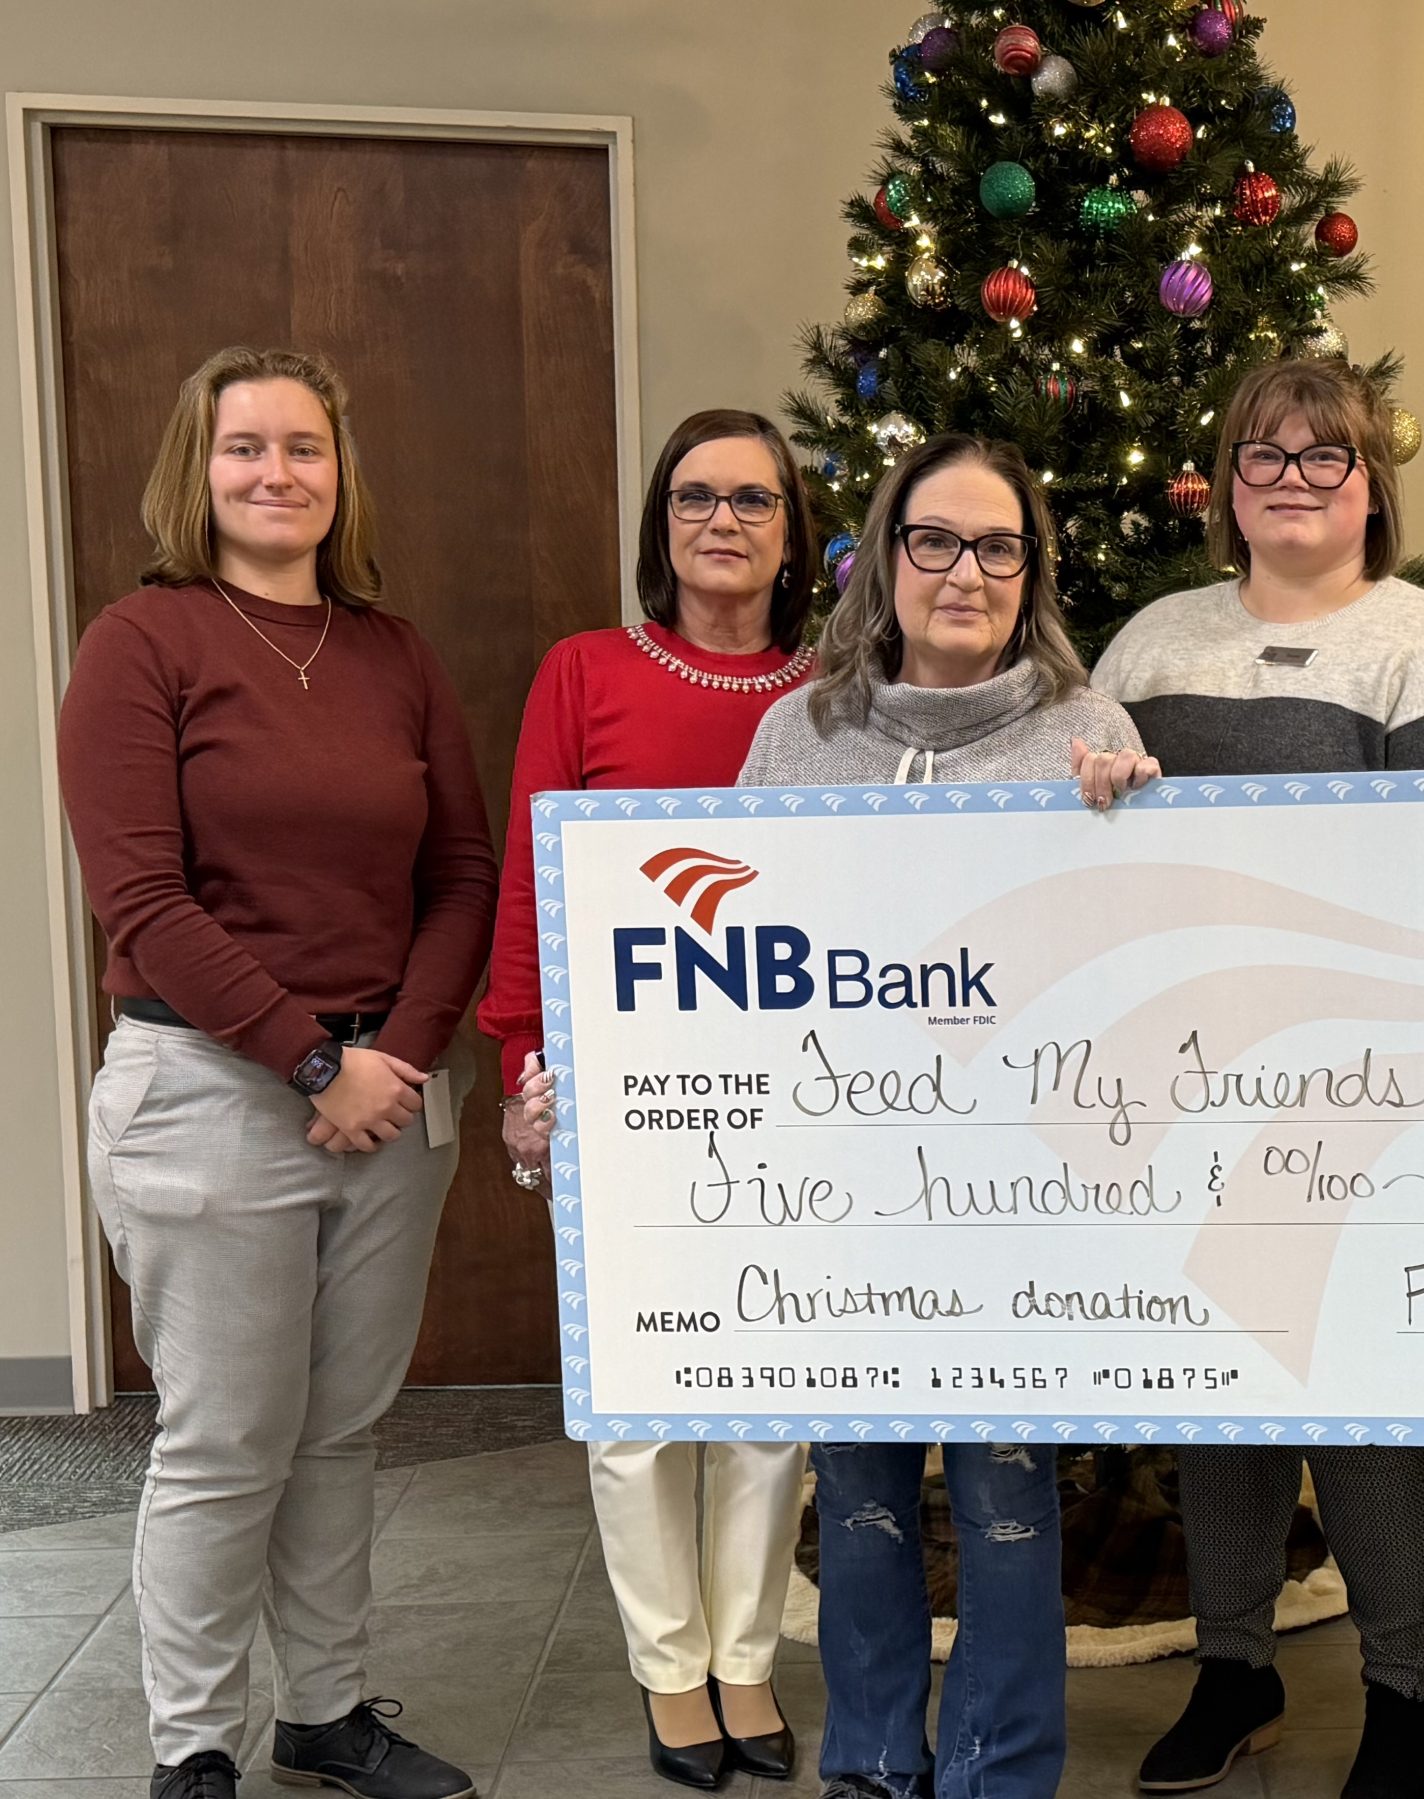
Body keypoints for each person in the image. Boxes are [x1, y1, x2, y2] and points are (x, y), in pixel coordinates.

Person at [57, 346, 498, 1799]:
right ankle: (193, 1744)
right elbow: (141, 897)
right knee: (226, 1440)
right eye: (244, 447)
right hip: (211, 1089)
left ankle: (324, 1710)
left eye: (304, 448)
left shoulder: (393, 655)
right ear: (197, 470)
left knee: (339, 1435)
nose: (276, 473)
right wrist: (312, 1061)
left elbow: (461, 873)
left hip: (388, 1098)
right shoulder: (142, 641)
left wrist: (396, 1054)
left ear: (339, 472)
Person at [1091, 356, 1424, 1799]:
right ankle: (1237, 1673)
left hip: (1365, 1095)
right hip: (1186, 1087)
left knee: (1365, 1406)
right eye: (1263, 456)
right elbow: (1075, 845)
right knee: (1220, 1393)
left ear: (1371, 486)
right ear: (1226, 485)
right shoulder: (1149, 642)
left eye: (1324, 456)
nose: (1292, 479)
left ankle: (1400, 1696)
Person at [736, 431, 1149, 1799]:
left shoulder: (1090, 736)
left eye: (997, 546)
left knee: (1009, 1498)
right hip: (846, 1194)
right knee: (857, 1494)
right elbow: (732, 960)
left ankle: (998, 1771)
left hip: (1017, 1203)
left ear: (1031, 572)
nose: (964, 571)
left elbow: (1135, 970)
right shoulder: (799, 736)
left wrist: (1136, 821)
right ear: (885, 557)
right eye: (935, 540)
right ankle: (869, 1762)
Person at [483, 409, 819, 1790]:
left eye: (753, 498)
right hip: (619, 1094)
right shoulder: (585, 672)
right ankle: (670, 1671)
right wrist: (524, 1068)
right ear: (659, 524)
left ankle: (748, 1660)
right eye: (695, 497)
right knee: (640, 1404)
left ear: (795, 531)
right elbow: (533, 881)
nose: (722, 520)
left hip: (799, 1092)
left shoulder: (833, 691)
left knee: (767, 1399)